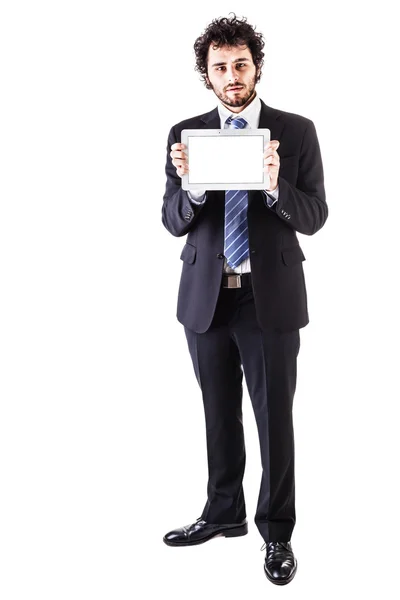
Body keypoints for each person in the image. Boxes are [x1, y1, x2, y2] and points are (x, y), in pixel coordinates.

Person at [161, 13, 328, 586]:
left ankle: (276, 533)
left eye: (240, 64)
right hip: (206, 298)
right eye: (219, 67)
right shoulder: (185, 134)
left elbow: (316, 217)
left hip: (269, 297)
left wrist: (278, 185)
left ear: (257, 66)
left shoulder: (296, 130)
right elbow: (172, 221)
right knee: (217, 413)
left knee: (273, 418)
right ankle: (223, 511)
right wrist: (194, 189)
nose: (231, 76)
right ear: (205, 76)